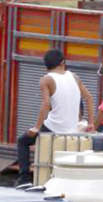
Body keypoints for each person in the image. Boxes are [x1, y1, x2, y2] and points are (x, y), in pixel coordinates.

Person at [16, 49, 96, 186]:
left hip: (53, 127)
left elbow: (46, 104)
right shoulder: (75, 77)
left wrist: (36, 127)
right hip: (71, 129)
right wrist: (91, 123)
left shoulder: (46, 79)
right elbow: (89, 98)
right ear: (63, 62)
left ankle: (24, 179)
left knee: (22, 141)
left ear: (46, 65)